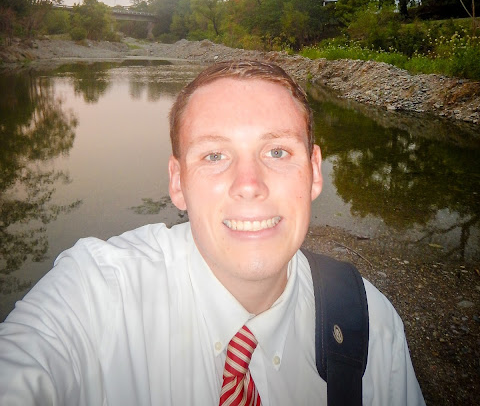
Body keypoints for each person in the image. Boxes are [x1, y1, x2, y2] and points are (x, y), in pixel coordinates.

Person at [0, 60, 425, 405]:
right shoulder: (97, 290)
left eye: (277, 151)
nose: (249, 185)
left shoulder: (369, 321)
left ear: (314, 172)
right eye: (215, 155)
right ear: (177, 182)